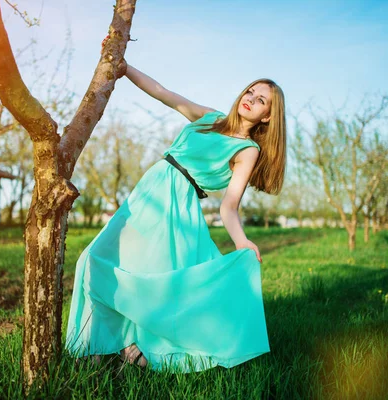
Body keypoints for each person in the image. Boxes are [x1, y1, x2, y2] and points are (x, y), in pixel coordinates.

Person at [66, 36, 287, 373]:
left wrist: (241, 241)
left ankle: (132, 347)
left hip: (176, 203)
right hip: (148, 190)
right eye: (249, 92)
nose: (250, 100)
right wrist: (124, 68)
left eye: (260, 101)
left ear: (267, 117)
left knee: (146, 277)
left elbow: (229, 206)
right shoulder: (210, 118)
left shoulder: (248, 151)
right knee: (95, 258)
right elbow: (163, 92)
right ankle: (100, 343)